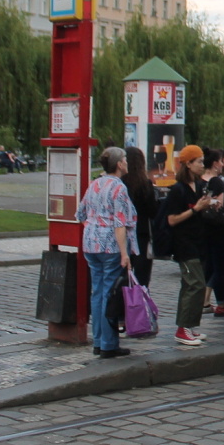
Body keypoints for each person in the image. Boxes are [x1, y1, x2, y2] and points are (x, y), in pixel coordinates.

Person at [75, 147, 137, 359]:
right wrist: (124, 253)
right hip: (110, 245)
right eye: (125, 160)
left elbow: (80, 213)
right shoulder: (119, 188)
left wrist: (94, 227)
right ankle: (108, 344)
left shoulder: (95, 184)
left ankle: (99, 340)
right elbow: (120, 223)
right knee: (110, 294)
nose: (127, 163)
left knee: (98, 291)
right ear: (119, 164)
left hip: (91, 243)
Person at [167, 144, 213, 347]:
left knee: (194, 284)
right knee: (195, 284)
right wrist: (196, 209)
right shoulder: (178, 190)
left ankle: (190, 325)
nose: (203, 165)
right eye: (199, 161)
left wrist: (209, 206)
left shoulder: (199, 186)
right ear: (188, 164)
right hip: (184, 244)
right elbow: (172, 220)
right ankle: (182, 328)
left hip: (199, 241)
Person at [200, 148, 224, 316]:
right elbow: (220, 205)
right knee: (219, 266)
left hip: (201, 229)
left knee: (207, 264)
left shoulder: (198, 181)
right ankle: (219, 302)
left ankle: (204, 300)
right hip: (217, 229)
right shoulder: (218, 182)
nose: (222, 164)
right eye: (220, 161)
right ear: (214, 163)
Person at [122, 146, 157, 287]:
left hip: (121, 234)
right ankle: (140, 306)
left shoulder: (120, 183)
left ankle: (121, 305)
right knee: (142, 278)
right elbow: (153, 211)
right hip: (140, 234)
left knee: (122, 275)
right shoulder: (145, 184)